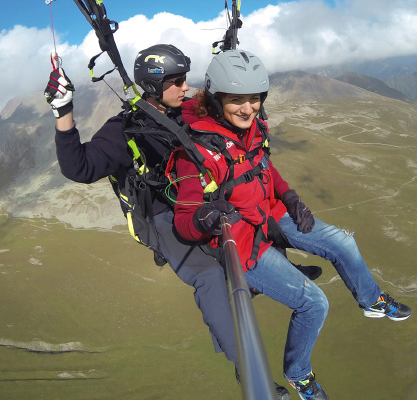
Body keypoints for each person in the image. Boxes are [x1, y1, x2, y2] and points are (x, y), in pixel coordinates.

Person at [44, 44, 295, 399]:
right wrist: (63, 111)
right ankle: (251, 372)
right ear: (153, 86)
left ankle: (285, 271)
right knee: (208, 277)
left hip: (200, 202)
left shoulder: (185, 111)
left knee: (251, 213)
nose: (186, 88)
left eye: (185, 80)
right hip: (162, 217)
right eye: (176, 82)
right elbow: (79, 167)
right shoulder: (124, 131)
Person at [171, 49, 331, 399]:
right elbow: (184, 222)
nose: (248, 108)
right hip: (243, 252)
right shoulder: (196, 151)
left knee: (329, 261)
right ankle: (299, 374)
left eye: (255, 99)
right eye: (237, 100)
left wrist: (288, 197)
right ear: (216, 101)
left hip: (259, 233)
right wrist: (204, 217)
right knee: (315, 304)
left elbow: (262, 169)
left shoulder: (249, 132)